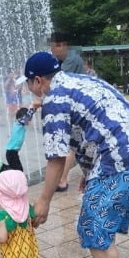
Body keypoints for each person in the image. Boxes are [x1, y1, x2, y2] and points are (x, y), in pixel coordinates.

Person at [25, 52, 129, 258]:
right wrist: (90, 171)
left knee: (92, 226)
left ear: (38, 81)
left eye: (28, 84)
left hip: (117, 159)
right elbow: (92, 125)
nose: (29, 90)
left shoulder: (55, 100)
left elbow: (56, 158)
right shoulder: (80, 80)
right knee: (103, 222)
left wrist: (44, 201)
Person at [49, 32, 85, 192]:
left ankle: (62, 180)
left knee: (71, 144)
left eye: (53, 47)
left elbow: (57, 79)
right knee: (72, 142)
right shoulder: (65, 59)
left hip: (76, 104)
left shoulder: (71, 60)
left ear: (62, 45)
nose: (51, 51)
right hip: (72, 104)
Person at [0, 100, 40, 174]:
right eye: (28, 119)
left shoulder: (19, 124)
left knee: (17, 169)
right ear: (22, 117)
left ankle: (3, 168)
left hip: (12, 152)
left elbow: (28, 117)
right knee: (18, 170)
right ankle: (2, 168)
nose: (30, 121)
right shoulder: (18, 123)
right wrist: (32, 108)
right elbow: (27, 118)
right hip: (11, 152)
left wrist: (35, 109)